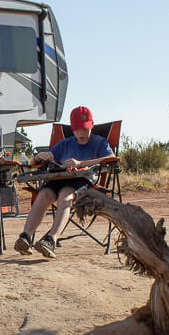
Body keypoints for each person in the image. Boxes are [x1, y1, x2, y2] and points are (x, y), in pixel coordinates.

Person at [15, 105, 114, 259]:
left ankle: (51, 239)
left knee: (65, 196)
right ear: (72, 129)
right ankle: (25, 237)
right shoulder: (65, 143)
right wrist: (40, 156)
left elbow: (111, 159)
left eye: (85, 129)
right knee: (43, 195)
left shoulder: (100, 142)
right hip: (59, 177)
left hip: (84, 180)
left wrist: (81, 163)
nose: (81, 133)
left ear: (91, 125)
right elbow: (33, 161)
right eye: (77, 130)